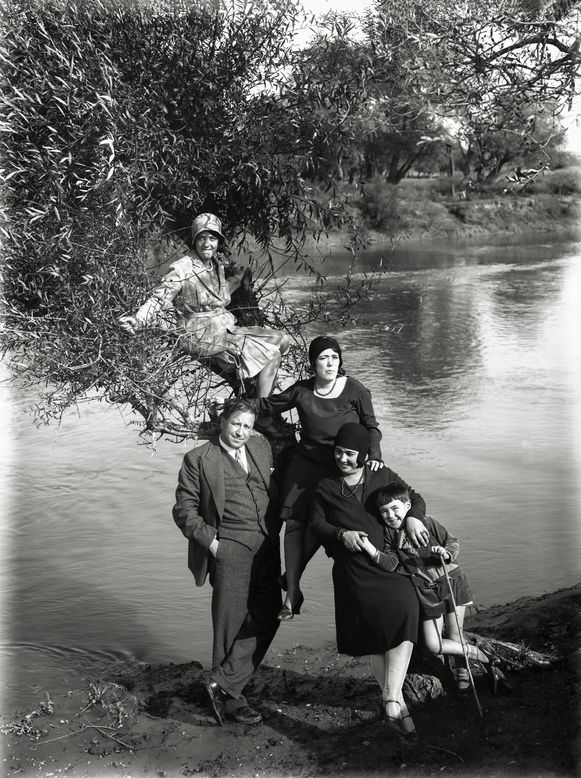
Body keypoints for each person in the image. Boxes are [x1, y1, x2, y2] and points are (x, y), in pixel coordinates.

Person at [254, 335, 394, 621]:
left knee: (322, 526)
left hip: (342, 467)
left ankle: (294, 579)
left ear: (340, 361)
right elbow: (267, 406)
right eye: (323, 358)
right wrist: (231, 405)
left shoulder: (354, 389)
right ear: (313, 363)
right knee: (293, 526)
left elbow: (371, 427)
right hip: (306, 466)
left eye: (334, 357)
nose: (330, 363)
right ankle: (292, 593)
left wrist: (375, 455)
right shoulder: (302, 391)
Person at [309, 422, 428, 737]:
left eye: (349, 454)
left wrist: (414, 518)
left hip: (387, 564)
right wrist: (341, 534)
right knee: (373, 635)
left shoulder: (382, 475)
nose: (342, 459)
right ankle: (396, 702)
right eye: (338, 452)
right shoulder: (325, 486)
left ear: (363, 455)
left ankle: (389, 697)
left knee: (406, 610)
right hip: (352, 571)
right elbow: (316, 524)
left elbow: (414, 498)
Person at [172, 398, 282, 725]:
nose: (241, 431)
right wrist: (214, 544)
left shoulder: (260, 447)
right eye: (236, 424)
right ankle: (232, 699)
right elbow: (183, 511)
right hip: (230, 548)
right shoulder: (199, 459)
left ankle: (223, 682)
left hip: (267, 546)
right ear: (223, 421)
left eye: (247, 426)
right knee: (229, 625)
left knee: (269, 613)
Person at [118, 213, 289, 397]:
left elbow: (217, 298)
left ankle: (248, 383)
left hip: (221, 328)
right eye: (201, 238)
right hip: (198, 333)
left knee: (283, 340)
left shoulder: (216, 264)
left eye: (212, 238)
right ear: (194, 240)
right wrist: (138, 319)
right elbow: (159, 298)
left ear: (218, 241)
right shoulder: (182, 267)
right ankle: (262, 409)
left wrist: (236, 280)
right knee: (272, 355)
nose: (207, 244)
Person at [358, 483, 489, 691]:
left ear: (408, 505)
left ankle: (462, 671)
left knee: (455, 633)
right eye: (384, 512)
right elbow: (391, 562)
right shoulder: (389, 536)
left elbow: (452, 541)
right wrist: (371, 550)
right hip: (426, 592)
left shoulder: (426, 522)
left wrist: (445, 553)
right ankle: (472, 651)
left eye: (395, 509)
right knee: (433, 644)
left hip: (451, 581)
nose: (390, 515)